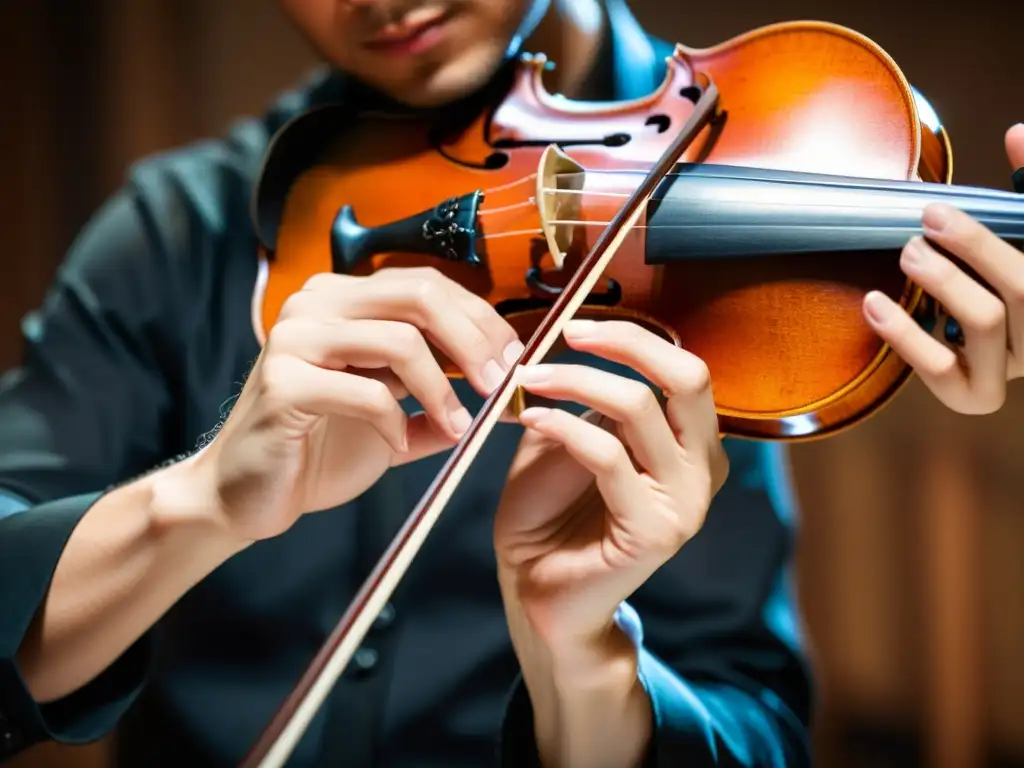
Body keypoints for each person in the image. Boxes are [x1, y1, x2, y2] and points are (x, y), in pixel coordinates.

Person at [0, 0, 1018, 765]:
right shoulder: (182, 228)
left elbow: (752, 720)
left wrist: (584, 662)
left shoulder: (763, 143)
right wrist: (204, 500)